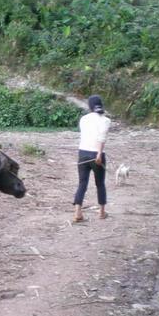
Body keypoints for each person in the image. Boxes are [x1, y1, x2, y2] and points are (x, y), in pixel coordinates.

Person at [73, 94, 111, 222]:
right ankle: (102, 212)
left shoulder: (83, 119)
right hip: (96, 154)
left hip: (83, 153)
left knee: (82, 183)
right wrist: (99, 154)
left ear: (89, 106)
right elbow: (101, 138)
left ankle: (78, 213)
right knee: (100, 183)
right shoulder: (106, 120)